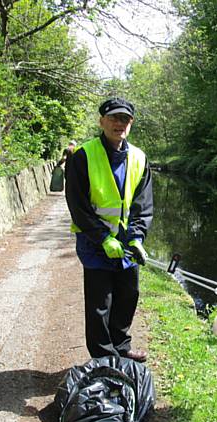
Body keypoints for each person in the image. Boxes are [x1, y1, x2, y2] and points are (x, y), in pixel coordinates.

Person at [64, 97, 153, 362]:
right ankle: (103, 356)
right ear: (101, 121)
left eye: (124, 119)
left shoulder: (138, 158)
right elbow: (77, 205)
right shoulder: (83, 156)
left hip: (126, 243)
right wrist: (102, 238)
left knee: (128, 295)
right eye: (113, 118)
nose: (119, 124)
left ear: (131, 124)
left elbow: (143, 204)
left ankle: (121, 347)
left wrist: (137, 237)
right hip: (95, 243)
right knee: (100, 303)